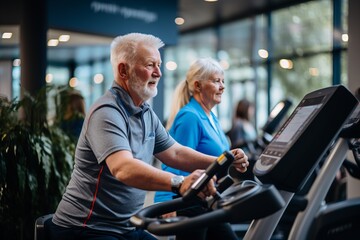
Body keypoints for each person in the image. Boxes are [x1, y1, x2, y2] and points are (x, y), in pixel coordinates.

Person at [47, 33, 249, 240]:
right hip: (86, 228)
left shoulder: (144, 112)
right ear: (123, 70)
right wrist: (179, 182)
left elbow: (175, 152)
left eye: (159, 65)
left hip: (126, 226)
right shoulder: (107, 111)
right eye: (151, 65)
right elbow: (123, 168)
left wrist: (225, 162)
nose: (159, 73)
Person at [154, 58, 241, 240]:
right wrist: (167, 202)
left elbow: (219, 156)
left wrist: (234, 156)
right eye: (216, 81)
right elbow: (175, 159)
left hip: (207, 201)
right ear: (198, 86)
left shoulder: (210, 117)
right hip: (189, 202)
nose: (222, 86)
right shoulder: (190, 116)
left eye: (223, 81)